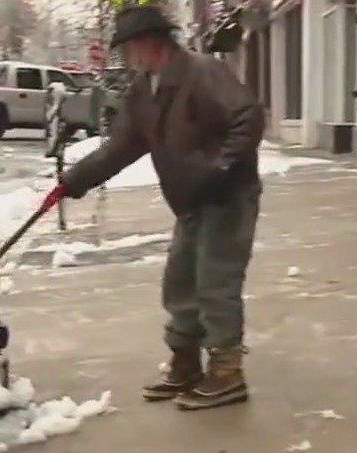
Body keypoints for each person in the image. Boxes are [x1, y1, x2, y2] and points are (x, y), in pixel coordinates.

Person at [54, 5, 264, 411]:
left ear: (152, 42)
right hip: (190, 198)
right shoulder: (143, 90)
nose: (129, 55)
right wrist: (75, 180)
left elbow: (247, 116)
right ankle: (186, 363)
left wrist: (221, 166)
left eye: (131, 46)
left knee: (215, 282)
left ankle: (227, 372)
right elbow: (122, 146)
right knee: (180, 282)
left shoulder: (202, 72)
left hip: (227, 195)